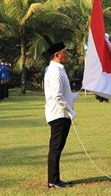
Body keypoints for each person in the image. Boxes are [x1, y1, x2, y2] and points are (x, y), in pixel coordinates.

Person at [44, 42, 78, 189]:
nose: (67, 55)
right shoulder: (54, 72)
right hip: (58, 115)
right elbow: (57, 97)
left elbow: (65, 94)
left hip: (62, 114)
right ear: (57, 55)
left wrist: (76, 95)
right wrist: (70, 110)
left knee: (58, 148)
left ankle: (55, 179)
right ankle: (53, 180)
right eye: (65, 52)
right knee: (55, 148)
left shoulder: (60, 70)